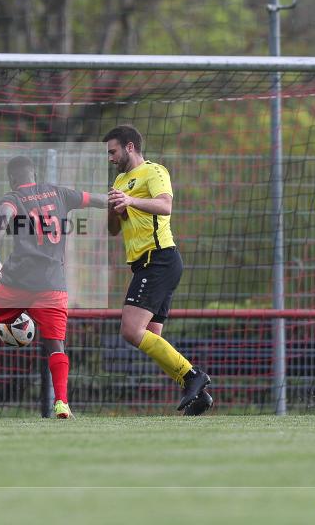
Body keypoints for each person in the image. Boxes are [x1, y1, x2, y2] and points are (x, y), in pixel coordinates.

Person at [0, 156, 107, 419]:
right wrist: (123, 200)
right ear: (33, 174)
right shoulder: (60, 192)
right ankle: (61, 402)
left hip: (18, 281)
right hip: (52, 284)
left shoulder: (13, 197)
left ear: (12, 179)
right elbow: (96, 200)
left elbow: (4, 217)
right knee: (56, 346)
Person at [103, 125, 212, 415]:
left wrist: (131, 200)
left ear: (129, 147)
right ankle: (198, 394)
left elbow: (166, 206)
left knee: (130, 330)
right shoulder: (120, 180)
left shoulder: (154, 171)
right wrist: (114, 209)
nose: (110, 158)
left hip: (159, 259)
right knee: (151, 334)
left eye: (113, 151)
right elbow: (114, 230)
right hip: (146, 263)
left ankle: (192, 376)